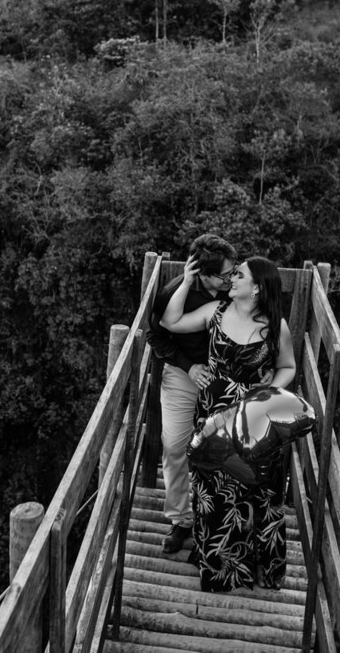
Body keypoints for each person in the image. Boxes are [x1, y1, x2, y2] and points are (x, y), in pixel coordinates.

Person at [160, 254, 297, 592]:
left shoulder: (274, 325)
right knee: (213, 495)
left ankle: (257, 566)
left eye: (240, 276)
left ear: (256, 289)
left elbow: (288, 367)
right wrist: (187, 281)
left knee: (257, 494)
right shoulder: (216, 312)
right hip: (212, 419)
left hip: (254, 421)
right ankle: (218, 567)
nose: (231, 279)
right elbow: (170, 321)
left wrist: (269, 389)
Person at [148, 233, 239, 554]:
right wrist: (189, 367)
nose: (232, 278)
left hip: (227, 379)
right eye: (225, 275)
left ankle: (218, 523)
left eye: (234, 271)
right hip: (184, 375)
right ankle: (181, 520)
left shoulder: (238, 290)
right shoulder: (175, 293)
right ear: (203, 273)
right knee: (174, 445)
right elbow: (156, 336)